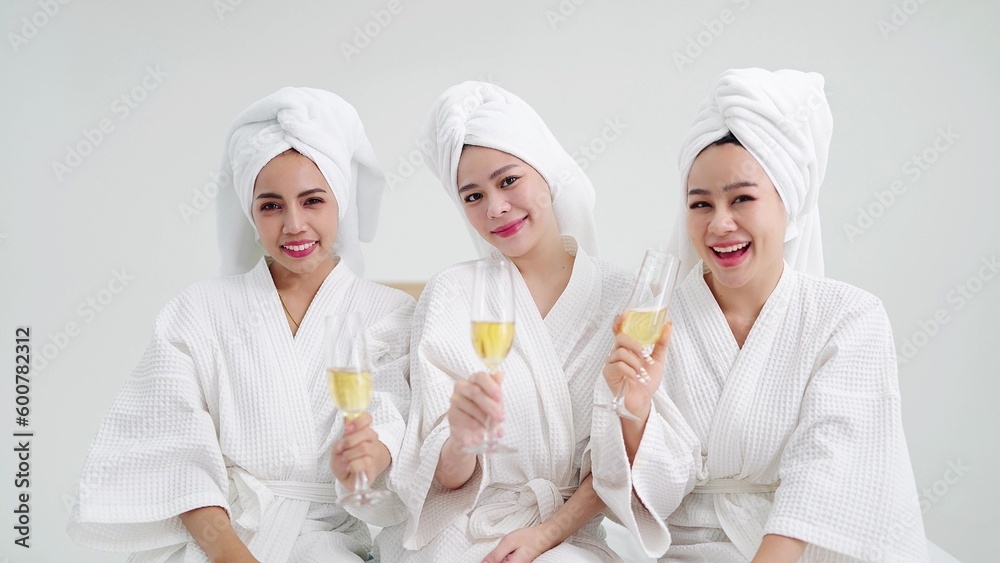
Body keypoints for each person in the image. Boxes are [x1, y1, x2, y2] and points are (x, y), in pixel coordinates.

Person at [589, 68, 929, 562]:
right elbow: (652, 496)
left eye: (742, 199)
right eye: (700, 204)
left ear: (789, 204)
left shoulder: (850, 316)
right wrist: (635, 413)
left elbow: (828, 464)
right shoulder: (655, 324)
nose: (719, 223)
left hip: (806, 548)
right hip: (691, 550)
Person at [67, 87, 415, 562]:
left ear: (341, 202)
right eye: (271, 205)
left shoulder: (391, 312)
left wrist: (369, 455)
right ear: (250, 213)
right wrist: (231, 554)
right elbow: (177, 452)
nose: (294, 225)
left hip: (330, 543)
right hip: (218, 541)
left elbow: (396, 430)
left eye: (313, 201)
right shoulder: (198, 310)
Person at [376, 82, 632, 562]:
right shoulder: (452, 293)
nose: (495, 208)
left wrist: (547, 534)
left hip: (565, 536)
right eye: (473, 196)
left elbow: (624, 456)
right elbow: (445, 477)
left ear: (546, 174)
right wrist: (461, 437)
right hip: (460, 530)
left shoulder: (623, 294)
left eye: (509, 181)